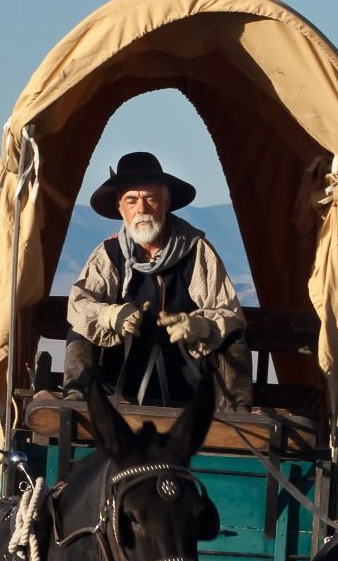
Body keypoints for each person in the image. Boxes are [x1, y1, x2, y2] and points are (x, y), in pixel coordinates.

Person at [63, 151, 253, 411]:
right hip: (121, 382)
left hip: (188, 382)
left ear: (166, 202)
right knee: (82, 325)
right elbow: (79, 305)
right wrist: (110, 316)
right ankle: (75, 405)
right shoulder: (108, 254)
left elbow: (230, 314)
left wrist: (200, 325)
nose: (141, 209)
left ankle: (237, 415)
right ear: (120, 209)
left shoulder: (196, 250)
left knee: (233, 335)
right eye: (131, 200)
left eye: (150, 198)